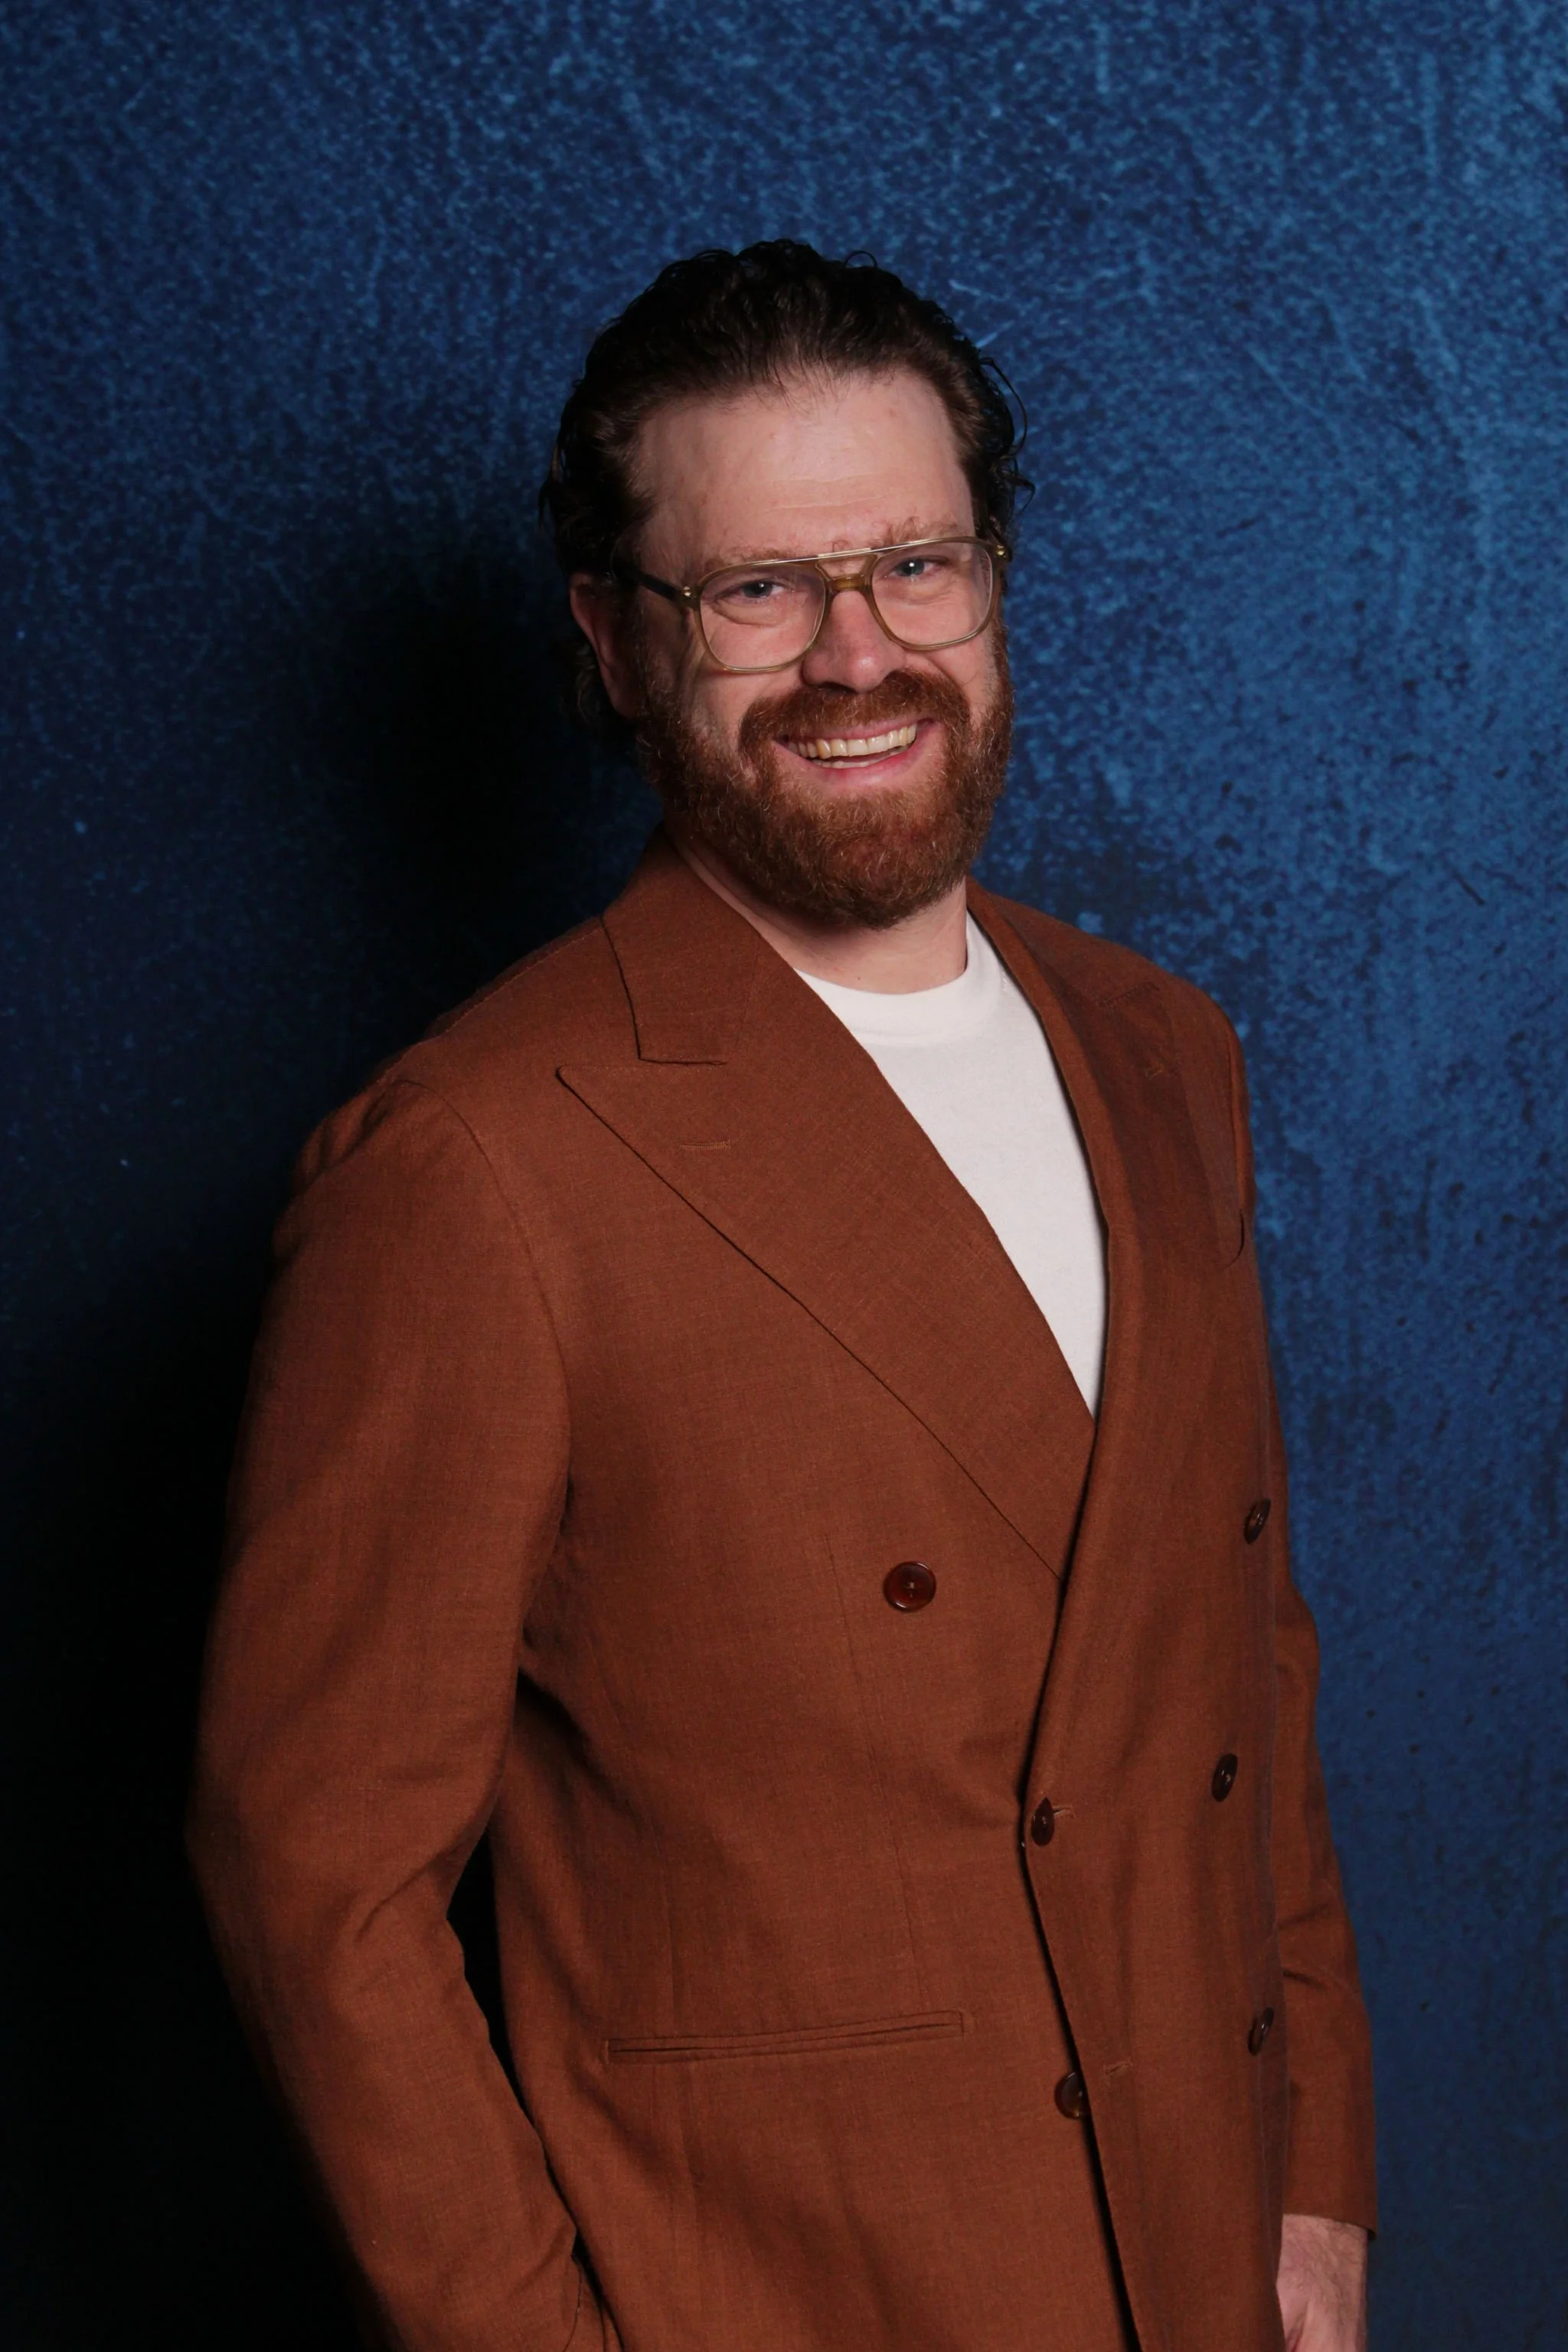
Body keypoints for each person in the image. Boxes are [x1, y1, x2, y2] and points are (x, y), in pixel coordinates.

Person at [190, 241, 1376, 2352]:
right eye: (758, 590)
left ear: (992, 583)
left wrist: (1315, 2186)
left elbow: (1240, 1676)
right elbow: (316, 1882)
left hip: (1211, 2262)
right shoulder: (476, 1165)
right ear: (619, 645)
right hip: (804, 2287)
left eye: (916, 561)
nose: (858, 652)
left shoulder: (1163, 1051)